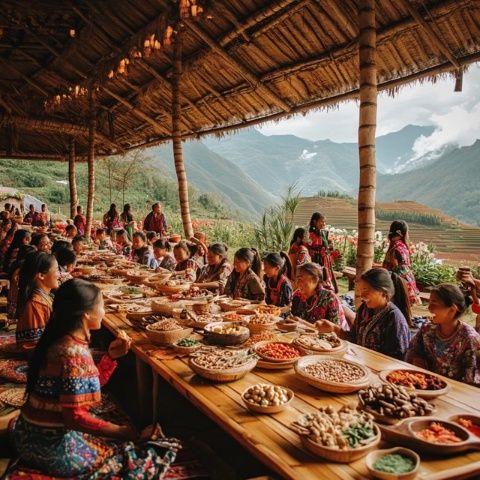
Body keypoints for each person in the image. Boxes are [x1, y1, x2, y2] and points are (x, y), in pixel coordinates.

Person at [11, 279, 179, 478]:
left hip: (26, 433)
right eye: (102, 306)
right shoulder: (73, 353)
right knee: (137, 455)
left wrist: (110, 358)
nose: (104, 312)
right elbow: (74, 418)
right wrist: (122, 431)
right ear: (86, 314)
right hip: (51, 446)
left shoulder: (59, 339)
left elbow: (81, 389)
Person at [316, 268, 411, 360]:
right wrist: (334, 329)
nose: (362, 295)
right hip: (359, 362)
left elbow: (396, 360)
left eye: (366, 291)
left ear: (383, 292)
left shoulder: (395, 319)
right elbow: (353, 338)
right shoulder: (364, 309)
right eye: (361, 290)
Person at [406, 284, 480, 385]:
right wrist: (418, 360)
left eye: (434, 303)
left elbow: (472, 380)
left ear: (452, 310)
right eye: (429, 302)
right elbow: (413, 352)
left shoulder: (469, 339)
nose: (429, 308)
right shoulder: (427, 329)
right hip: (424, 385)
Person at [16, 252, 59, 348]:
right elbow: (33, 345)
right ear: (41, 276)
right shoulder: (36, 304)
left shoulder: (45, 297)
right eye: (56, 269)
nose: (59, 274)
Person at [291, 262, 347, 328]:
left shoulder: (329, 298)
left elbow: (334, 330)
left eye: (300, 279)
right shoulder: (297, 295)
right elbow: (292, 317)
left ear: (315, 280)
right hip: (301, 335)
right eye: (297, 279)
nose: (297, 283)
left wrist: (302, 323)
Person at [383, 220, 421, 305]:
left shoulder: (395, 248)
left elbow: (398, 270)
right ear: (403, 233)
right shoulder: (401, 247)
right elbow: (402, 269)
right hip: (402, 286)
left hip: (396, 287)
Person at [308, 212, 338, 293]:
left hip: (325, 260)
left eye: (324, 222)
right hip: (315, 260)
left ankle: (326, 293)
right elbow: (309, 247)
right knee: (317, 278)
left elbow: (328, 244)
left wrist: (330, 247)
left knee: (326, 277)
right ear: (314, 222)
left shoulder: (324, 233)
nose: (324, 223)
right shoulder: (310, 234)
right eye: (322, 221)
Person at [7, 245, 37, 321]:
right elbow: (15, 278)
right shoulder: (22, 264)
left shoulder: (18, 262)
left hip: (14, 293)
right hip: (17, 292)